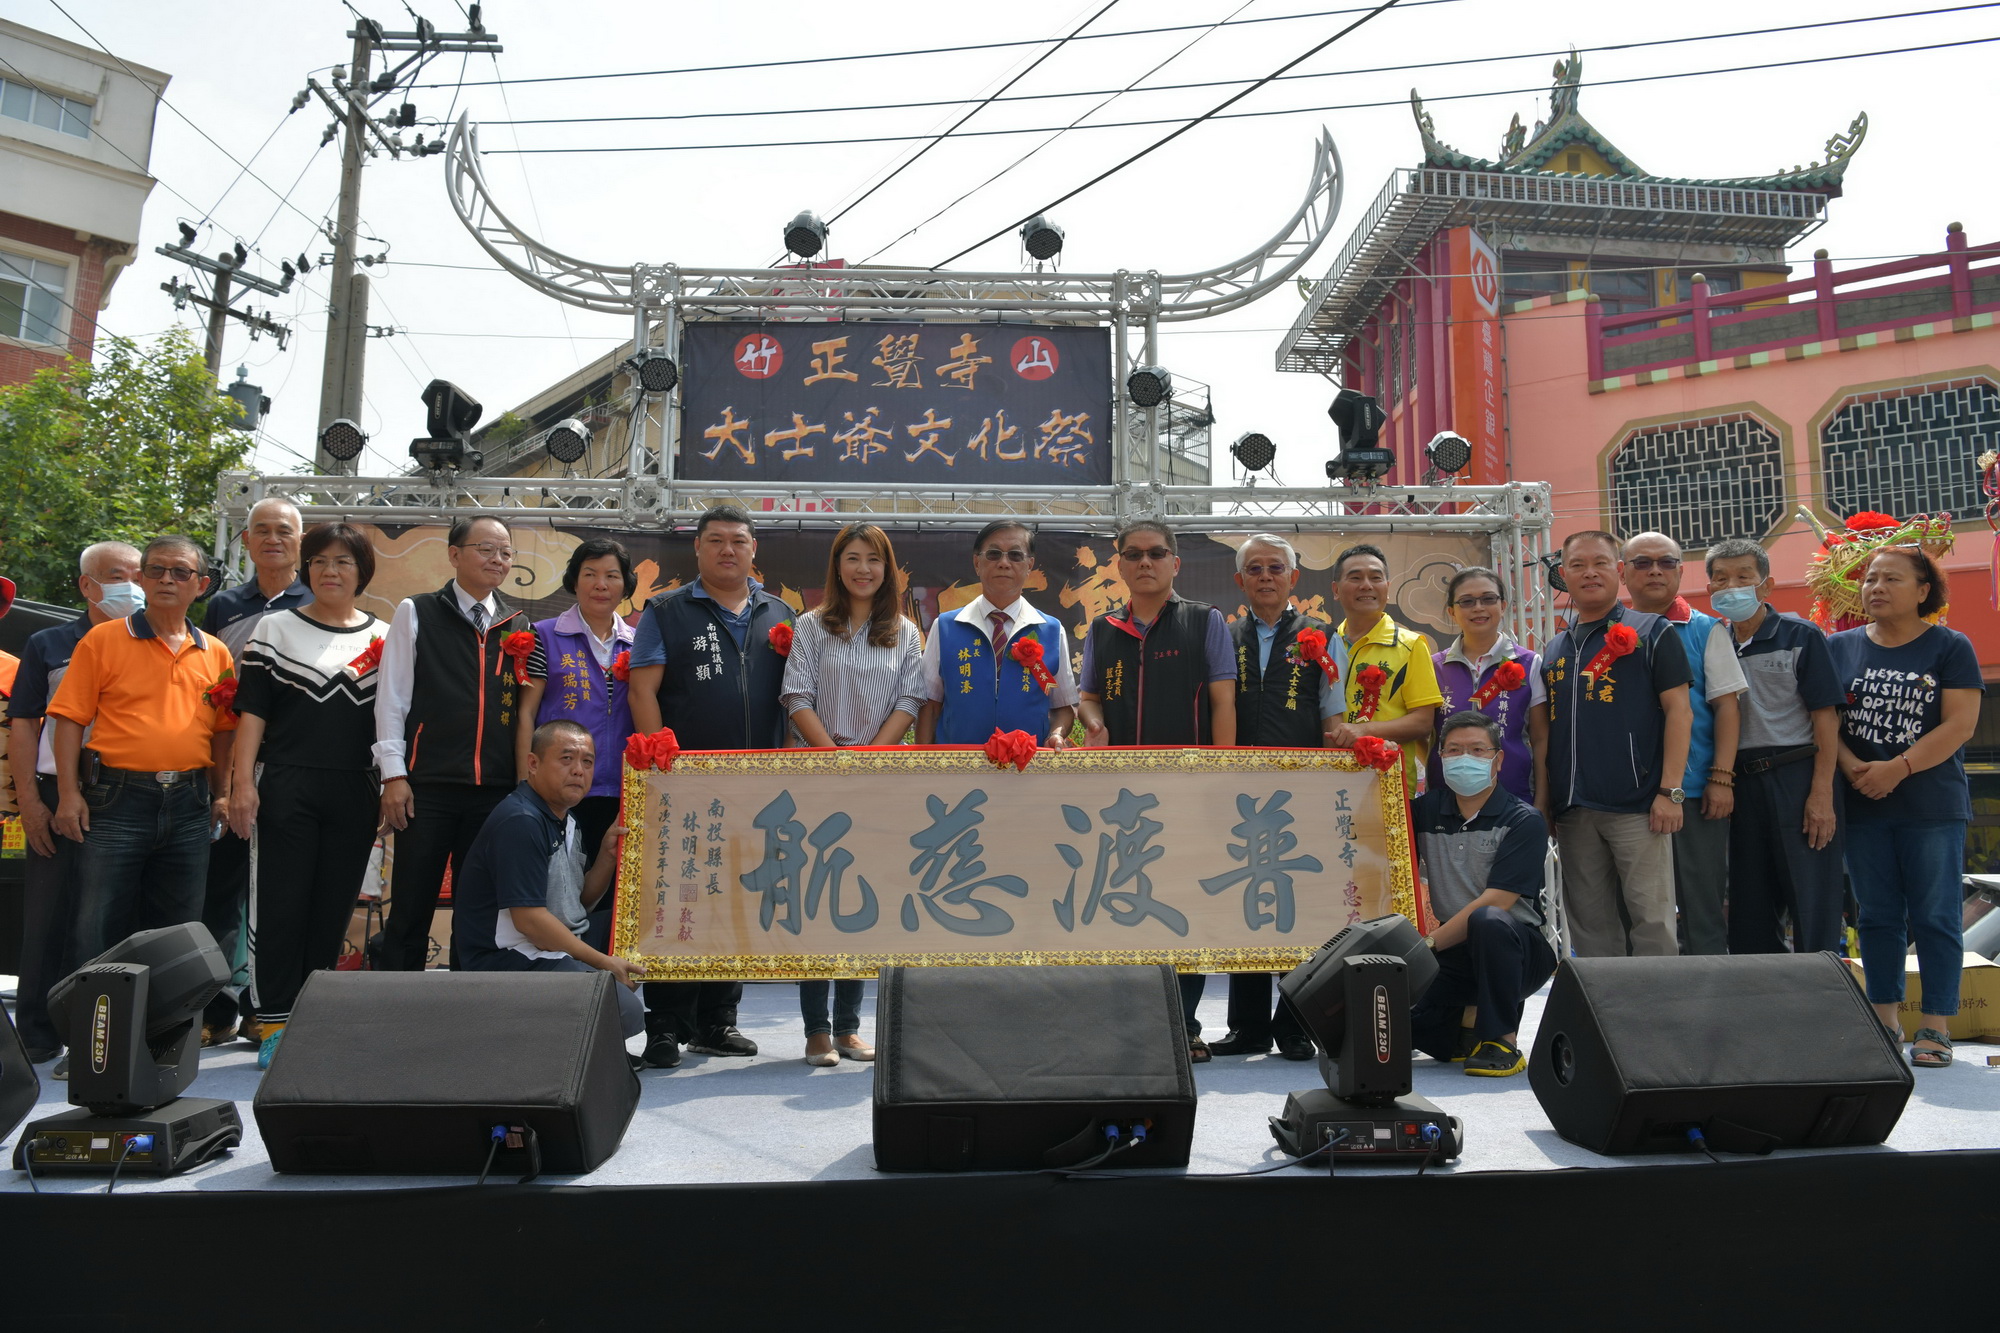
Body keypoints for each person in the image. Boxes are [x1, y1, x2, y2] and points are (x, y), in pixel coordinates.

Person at [629, 504, 793, 1062]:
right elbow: (643, 691)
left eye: (739, 541)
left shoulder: (781, 615)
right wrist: (661, 766)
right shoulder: (666, 611)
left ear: (754, 551)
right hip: (688, 786)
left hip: (758, 784)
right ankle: (666, 1025)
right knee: (680, 898)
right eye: (716, 540)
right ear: (697, 549)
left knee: (735, 904)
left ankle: (718, 1021)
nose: (728, 549)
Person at [1077, 520, 1236, 1062]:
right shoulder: (1103, 630)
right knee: (1120, 904)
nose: (1145, 563)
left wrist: (1220, 776)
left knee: (1180, 909)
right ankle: (1127, 1022)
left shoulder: (1203, 621)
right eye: (1134, 555)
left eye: (1156, 554)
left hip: (1187, 793)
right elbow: (1089, 697)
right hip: (1121, 797)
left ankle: (1184, 1025)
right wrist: (1093, 723)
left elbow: (1222, 704)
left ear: (1175, 564)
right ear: (1119, 565)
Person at [227, 523, 384, 1069]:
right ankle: (272, 1022)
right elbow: (252, 715)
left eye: (343, 561)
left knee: (330, 908)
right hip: (287, 784)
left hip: (355, 787)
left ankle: (310, 1019)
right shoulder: (275, 629)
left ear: (362, 570)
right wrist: (242, 783)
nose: (330, 571)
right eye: (318, 561)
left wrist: (391, 784)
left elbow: (394, 723)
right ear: (305, 569)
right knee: (280, 905)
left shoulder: (383, 637)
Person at [48, 535, 239, 968]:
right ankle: (96, 1035)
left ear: (202, 585)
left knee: (179, 936)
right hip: (115, 799)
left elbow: (225, 731)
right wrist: (68, 794)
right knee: (96, 929)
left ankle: (164, 1037)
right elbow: (69, 721)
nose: (167, 579)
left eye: (180, 572)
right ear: (142, 578)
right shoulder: (102, 641)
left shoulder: (216, 652)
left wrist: (222, 793)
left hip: (191, 804)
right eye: (156, 570)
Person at [1830, 547, 1980, 1068]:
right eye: (1870, 578)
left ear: (1923, 591)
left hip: (1931, 806)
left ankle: (1936, 1025)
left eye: (1892, 578)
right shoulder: (1839, 647)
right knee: (1876, 916)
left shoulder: (1949, 646)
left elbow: (1960, 725)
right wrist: (1852, 767)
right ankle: (1884, 1020)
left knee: (1936, 916)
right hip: (1863, 803)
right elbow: (1824, 722)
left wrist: (1898, 768)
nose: (1876, 586)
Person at [782, 522, 925, 1065]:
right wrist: (835, 759)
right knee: (817, 900)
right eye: (853, 558)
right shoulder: (813, 625)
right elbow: (795, 694)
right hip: (820, 778)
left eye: (874, 559)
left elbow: (911, 701)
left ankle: (848, 1027)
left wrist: (870, 761)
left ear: (887, 569)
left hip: (878, 781)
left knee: (865, 900)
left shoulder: (907, 632)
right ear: (837, 567)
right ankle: (816, 1029)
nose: (864, 569)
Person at [1209, 534, 1348, 1061]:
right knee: (1246, 901)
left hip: (1300, 789)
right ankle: (1246, 1027)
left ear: (1294, 579)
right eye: (1255, 569)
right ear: (1239, 579)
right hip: (1239, 791)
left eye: (1276, 568)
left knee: (1297, 905)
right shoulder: (1224, 635)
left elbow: (1332, 709)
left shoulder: (1320, 634)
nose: (1266, 577)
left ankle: (1294, 1024)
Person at [7, 548, 145, 1070]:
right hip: (54, 788)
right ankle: (37, 1034)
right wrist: (30, 803)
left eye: (137, 576)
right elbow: (24, 723)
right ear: (87, 586)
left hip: (130, 791)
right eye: (117, 577)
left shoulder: (157, 639)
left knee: (111, 919)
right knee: (48, 915)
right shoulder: (48, 643)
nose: (131, 586)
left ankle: (101, 1036)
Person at [373, 516, 528, 971]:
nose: (496, 560)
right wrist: (394, 774)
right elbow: (393, 698)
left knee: (477, 911)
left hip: (495, 791)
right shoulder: (417, 610)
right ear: (454, 554)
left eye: (504, 552)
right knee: (411, 907)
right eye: (485, 549)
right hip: (428, 788)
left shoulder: (517, 623)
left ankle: (465, 1011)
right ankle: (394, 1013)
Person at [1532, 531, 1692, 958]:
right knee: (1589, 927)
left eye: (1600, 563)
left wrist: (1669, 792)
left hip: (1639, 807)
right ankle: (1606, 1021)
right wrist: (1546, 803)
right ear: (1563, 575)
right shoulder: (1554, 649)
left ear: (1618, 571)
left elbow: (1680, 712)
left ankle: (1660, 1022)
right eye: (1578, 565)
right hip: (1574, 812)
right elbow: (1546, 734)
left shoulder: (1652, 631)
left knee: (1653, 923)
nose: (1589, 573)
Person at [452, 719, 644, 1049]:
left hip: (547, 944)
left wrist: (607, 857)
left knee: (640, 929)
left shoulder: (565, 818)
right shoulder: (521, 821)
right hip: (505, 958)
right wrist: (604, 963)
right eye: (566, 758)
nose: (579, 771)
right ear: (533, 764)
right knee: (621, 1011)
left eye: (587, 761)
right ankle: (536, 1047)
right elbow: (530, 921)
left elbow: (577, 901)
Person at [196, 495, 307, 1047]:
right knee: (223, 891)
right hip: (233, 760)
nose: (272, 539)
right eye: (261, 530)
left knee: (279, 893)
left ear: (299, 541)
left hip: (291, 763)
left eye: (283, 530)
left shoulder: (317, 601)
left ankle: (269, 1009)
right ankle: (216, 1011)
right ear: (245, 541)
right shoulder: (222, 606)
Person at [1705, 538, 1843, 956]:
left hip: (1796, 776)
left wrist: (1821, 793)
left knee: (1810, 900)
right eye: (1720, 578)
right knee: (1748, 906)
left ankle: (1821, 1004)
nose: (1731, 586)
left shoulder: (1801, 635)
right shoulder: (1711, 641)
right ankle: (1762, 1006)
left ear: (1766, 586)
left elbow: (1826, 719)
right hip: (1737, 783)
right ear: (1708, 589)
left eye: (1744, 577)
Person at [1622, 531, 1748, 956]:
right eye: (1642, 562)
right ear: (1624, 572)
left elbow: (1728, 708)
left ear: (1680, 571)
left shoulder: (1705, 630)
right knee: (1634, 912)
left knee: (1702, 909)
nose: (1654, 570)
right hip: (1628, 797)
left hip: (1693, 794)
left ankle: (1710, 1013)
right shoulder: (1609, 633)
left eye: (1666, 562)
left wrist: (1722, 778)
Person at [1412, 711, 1556, 1077]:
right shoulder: (1425, 812)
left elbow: (1498, 901)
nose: (1465, 758)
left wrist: (1423, 949)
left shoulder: (1523, 820)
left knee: (1488, 920)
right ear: (1440, 756)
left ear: (1498, 759)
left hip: (1516, 949)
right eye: (1454, 750)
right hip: (1454, 950)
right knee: (1402, 1024)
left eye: (1478, 750)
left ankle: (1501, 1041)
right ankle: (1464, 1026)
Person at [914, 521, 1078, 747]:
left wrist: (1055, 735)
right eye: (993, 554)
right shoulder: (946, 626)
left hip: (1027, 768)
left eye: (1015, 556)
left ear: (1029, 565)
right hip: (957, 766)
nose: (1004, 563)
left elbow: (1062, 707)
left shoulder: (1050, 630)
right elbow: (930, 707)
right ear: (977, 563)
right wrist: (925, 766)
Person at [1323, 543, 1444, 793]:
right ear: (1336, 590)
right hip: (1331, 780)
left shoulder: (1411, 646)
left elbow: (1423, 722)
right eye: (1355, 577)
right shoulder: (1325, 646)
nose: (1366, 585)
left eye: (1375, 578)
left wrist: (1363, 730)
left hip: (1389, 783)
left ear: (1387, 589)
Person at [1428, 566, 1542, 804]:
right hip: (1447, 801)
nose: (1478, 607)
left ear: (1502, 605)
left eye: (1488, 599)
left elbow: (1541, 740)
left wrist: (1542, 802)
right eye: (1467, 601)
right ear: (1452, 611)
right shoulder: (1434, 667)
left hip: (1515, 798)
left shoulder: (1530, 664)